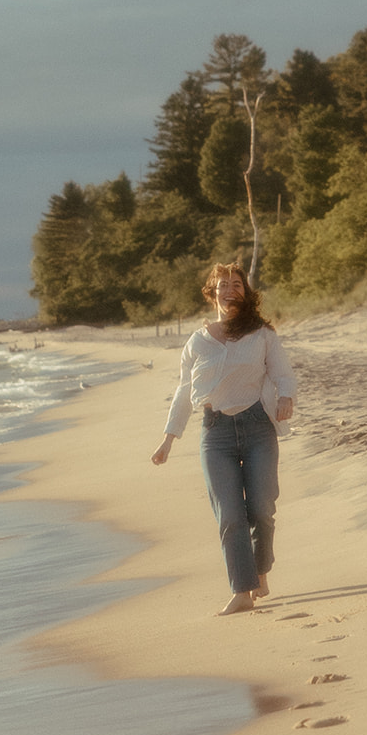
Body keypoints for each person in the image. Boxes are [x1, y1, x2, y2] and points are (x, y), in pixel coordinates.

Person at [151, 262, 297, 616]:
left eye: (237, 283)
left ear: (245, 292)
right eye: (223, 284)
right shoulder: (197, 341)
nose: (230, 289)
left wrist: (285, 397)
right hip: (215, 434)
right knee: (229, 515)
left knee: (262, 509)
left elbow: (283, 373)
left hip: (257, 427)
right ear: (211, 293)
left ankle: (260, 571)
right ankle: (242, 590)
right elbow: (184, 391)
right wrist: (169, 438)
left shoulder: (262, 334)